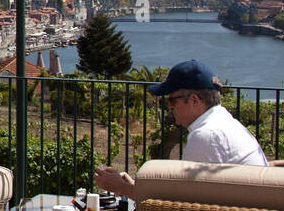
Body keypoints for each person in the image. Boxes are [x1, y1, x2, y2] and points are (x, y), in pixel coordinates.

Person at [95, 59, 267, 198]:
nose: (169, 107)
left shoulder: (206, 136)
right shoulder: (224, 122)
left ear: (194, 100)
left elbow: (182, 204)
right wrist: (131, 187)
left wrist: (120, 188)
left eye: (172, 101)